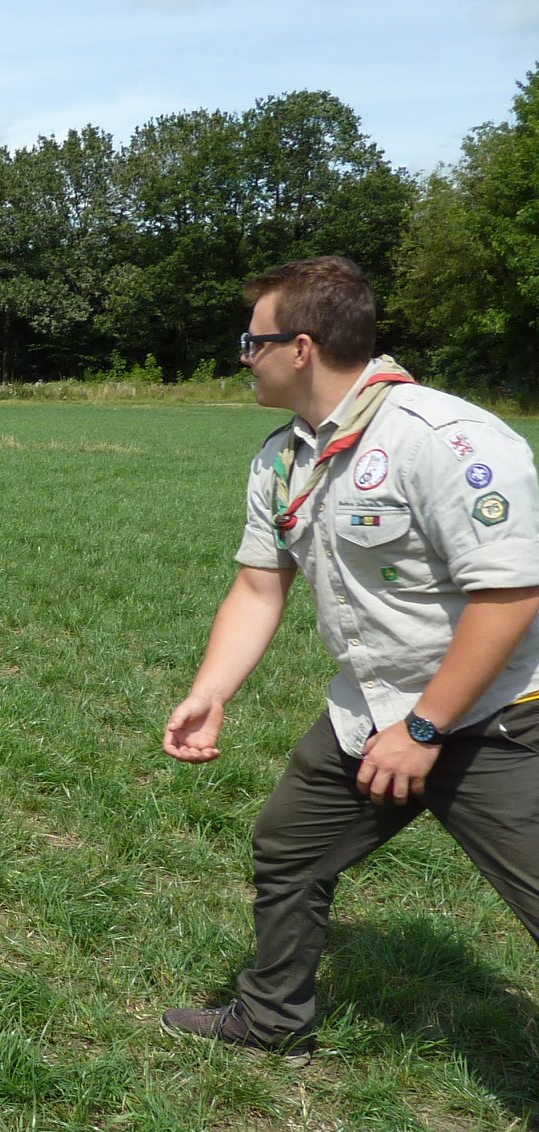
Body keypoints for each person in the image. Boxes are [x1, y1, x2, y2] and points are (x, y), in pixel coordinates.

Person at [161, 255, 539, 1065]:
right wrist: (210, 692)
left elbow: (509, 596)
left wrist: (427, 727)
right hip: (370, 713)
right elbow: (260, 589)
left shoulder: (444, 439)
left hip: (498, 721)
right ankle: (272, 1020)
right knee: (288, 848)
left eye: (250, 342)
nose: (242, 358)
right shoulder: (282, 459)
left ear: (299, 347)